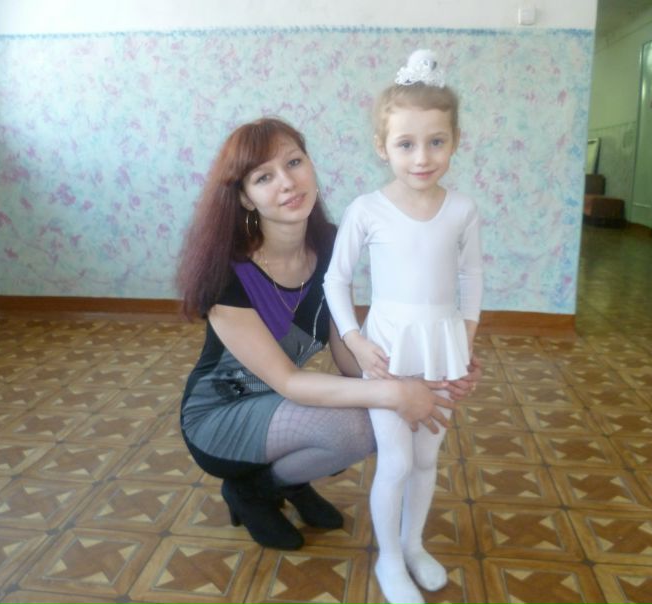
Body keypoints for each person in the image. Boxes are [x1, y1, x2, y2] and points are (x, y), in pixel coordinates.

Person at [176, 117, 475, 552]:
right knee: (360, 425)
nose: (287, 182)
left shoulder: (329, 245)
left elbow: (348, 354)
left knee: (380, 416)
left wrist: (436, 368)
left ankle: (290, 481)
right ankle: (251, 491)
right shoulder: (229, 274)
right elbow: (289, 381)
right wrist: (394, 394)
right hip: (220, 415)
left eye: (294, 162)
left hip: (279, 403)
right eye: (263, 177)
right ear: (244, 197)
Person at [324, 49, 483, 604]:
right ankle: (388, 558)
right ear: (382, 146)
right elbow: (336, 280)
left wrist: (465, 339)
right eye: (406, 144)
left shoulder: (462, 209)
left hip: (441, 347)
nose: (422, 157)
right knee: (394, 460)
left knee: (425, 458)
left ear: (455, 141)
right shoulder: (366, 209)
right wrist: (355, 340)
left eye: (436, 141)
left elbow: (471, 275)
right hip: (387, 350)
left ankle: (413, 545)